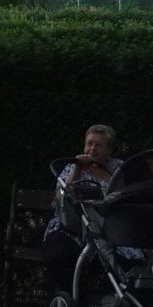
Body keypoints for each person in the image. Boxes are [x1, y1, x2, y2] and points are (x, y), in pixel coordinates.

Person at [43, 124, 121, 290]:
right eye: (89, 144)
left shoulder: (118, 169)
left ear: (109, 150)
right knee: (60, 252)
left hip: (108, 229)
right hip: (71, 226)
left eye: (98, 145)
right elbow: (60, 198)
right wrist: (78, 169)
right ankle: (74, 300)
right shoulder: (73, 166)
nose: (92, 149)